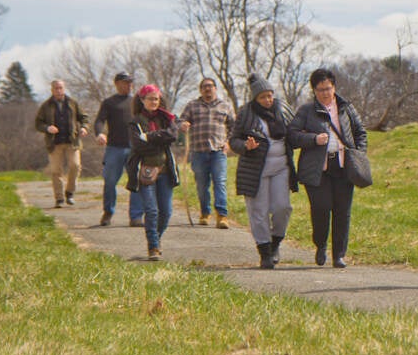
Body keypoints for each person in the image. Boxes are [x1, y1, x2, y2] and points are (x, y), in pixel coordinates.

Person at [288, 68, 368, 269]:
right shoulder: (306, 111)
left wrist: (358, 153)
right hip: (317, 169)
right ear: (314, 90)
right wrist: (313, 139)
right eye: (320, 89)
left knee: (343, 212)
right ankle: (321, 245)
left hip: (343, 166)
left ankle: (339, 255)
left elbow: (361, 132)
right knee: (321, 209)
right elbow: (292, 135)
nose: (325, 92)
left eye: (328, 88)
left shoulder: (346, 108)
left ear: (334, 87)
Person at [229, 74, 298, 269]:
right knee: (258, 211)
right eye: (263, 97)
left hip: (281, 167)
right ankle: (265, 251)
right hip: (255, 170)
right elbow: (234, 140)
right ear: (255, 98)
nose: (268, 100)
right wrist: (245, 145)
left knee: (282, 207)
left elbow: (295, 131)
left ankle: (276, 242)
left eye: (270, 95)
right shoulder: (245, 113)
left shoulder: (283, 109)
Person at [126, 84, 180, 261]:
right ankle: (153, 247)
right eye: (150, 98)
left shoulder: (166, 119)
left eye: (156, 99)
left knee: (166, 212)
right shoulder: (136, 122)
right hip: (145, 171)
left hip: (166, 171)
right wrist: (159, 138)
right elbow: (138, 146)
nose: (154, 102)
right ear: (142, 100)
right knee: (151, 210)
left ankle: (156, 238)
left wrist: (150, 136)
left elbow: (172, 136)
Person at [179, 78, 235, 228]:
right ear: (200, 90)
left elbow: (234, 127)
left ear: (216, 88)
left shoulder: (225, 106)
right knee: (202, 185)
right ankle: (205, 212)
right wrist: (183, 124)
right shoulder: (192, 106)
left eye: (210, 86)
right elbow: (180, 121)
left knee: (220, 182)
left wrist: (228, 142)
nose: (207, 89)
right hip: (198, 151)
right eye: (204, 87)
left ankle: (222, 216)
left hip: (218, 151)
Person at [94, 72, 144, 227]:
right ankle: (108, 212)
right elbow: (99, 120)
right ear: (117, 84)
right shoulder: (109, 102)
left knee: (136, 181)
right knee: (109, 180)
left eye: (130, 82)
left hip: (134, 148)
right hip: (114, 147)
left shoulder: (137, 102)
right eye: (125, 82)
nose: (129, 85)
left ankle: (136, 216)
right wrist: (100, 133)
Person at [34, 80, 89, 207]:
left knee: (75, 166)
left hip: (72, 142)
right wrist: (48, 128)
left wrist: (84, 127)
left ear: (64, 89)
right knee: (56, 170)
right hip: (54, 143)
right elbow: (38, 123)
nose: (59, 90)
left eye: (61, 88)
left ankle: (70, 193)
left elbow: (84, 117)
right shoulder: (46, 106)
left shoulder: (72, 103)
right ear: (52, 90)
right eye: (56, 88)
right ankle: (59, 198)